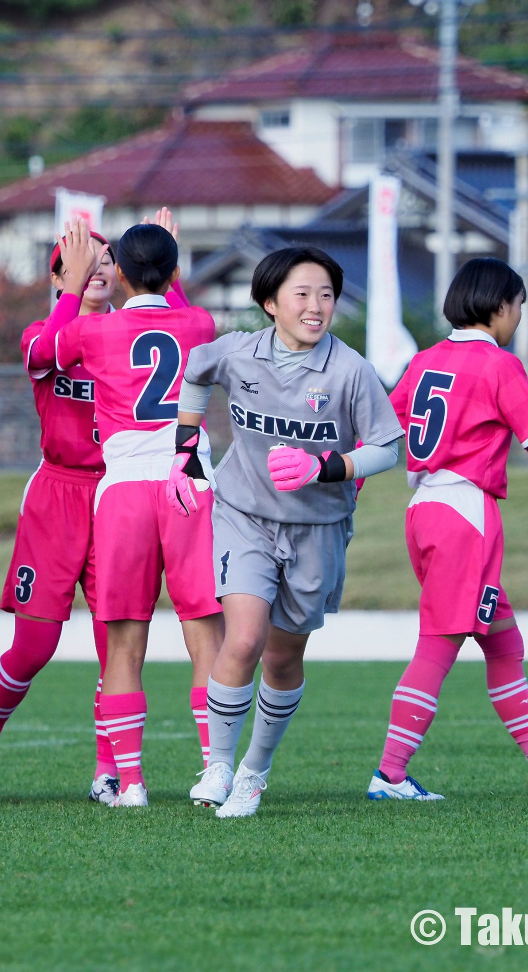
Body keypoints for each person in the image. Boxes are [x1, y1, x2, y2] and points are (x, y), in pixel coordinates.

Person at [368, 257, 528, 802]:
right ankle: (390, 774)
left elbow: (381, 434)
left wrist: (351, 490)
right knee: (438, 646)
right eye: (520, 305)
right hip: (464, 517)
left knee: (503, 641)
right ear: (500, 306)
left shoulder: (426, 359)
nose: (521, 315)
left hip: (425, 511)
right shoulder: (498, 365)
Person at [174, 246, 404, 817]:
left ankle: (254, 773)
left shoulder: (350, 370)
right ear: (269, 302)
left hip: (318, 528)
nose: (316, 306)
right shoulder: (237, 352)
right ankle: (219, 767)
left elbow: (389, 448)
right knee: (244, 639)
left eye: (326, 294)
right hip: (244, 515)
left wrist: (326, 466)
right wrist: (185, 451)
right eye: (302, 294)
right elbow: (195, 374)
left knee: (280, 658)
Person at [51, 216, 225, 807]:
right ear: (175, 273)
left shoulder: (93, 331)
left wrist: (74, 285)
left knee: (124, 639)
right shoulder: (199, 321)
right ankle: (214, 771)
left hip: (124, 485)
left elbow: (40, 354)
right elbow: (180, 313)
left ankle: (130, 783)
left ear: (117, 273)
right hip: (189, 482)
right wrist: (164, 263)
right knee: (205, 634)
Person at [0, 225, 120, 804]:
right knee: (34, 646)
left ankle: (109, 770)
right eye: (76, 262)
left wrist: (166, 278)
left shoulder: (131, 334)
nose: (94, 266)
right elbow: (47, 352)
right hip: (57, 496)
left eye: (105, 258)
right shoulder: (41, 332)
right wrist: (72, 291)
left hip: (116, 495)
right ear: (56, 278)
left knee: (114, 642)